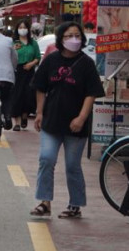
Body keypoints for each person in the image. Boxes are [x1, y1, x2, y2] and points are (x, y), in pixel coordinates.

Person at [30, 21, 105, 219]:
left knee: (72, 165)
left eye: (77, 36)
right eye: (69, 36)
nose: (74, 39)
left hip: (76, 125)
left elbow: (92, 94)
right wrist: (39, 112)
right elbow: (40, 87)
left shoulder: (87, 64)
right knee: (46, 159)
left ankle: (75, 204)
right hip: (51, 121)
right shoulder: (51, 60)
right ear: (60, 39)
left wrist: (81, 117)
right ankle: (44, 202)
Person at [11, 19, 40, 131]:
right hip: (17, 71)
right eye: (20, 27)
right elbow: (9, 56)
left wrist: (31, 64)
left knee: (28, 95)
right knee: (17, 95)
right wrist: (13, 49)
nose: (22, 29)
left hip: (29, 72)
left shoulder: (33, 43)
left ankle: (25, 116)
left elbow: (38, 57)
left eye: (24, 27)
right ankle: (17, 122)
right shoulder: (14, 43)